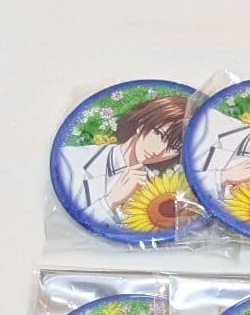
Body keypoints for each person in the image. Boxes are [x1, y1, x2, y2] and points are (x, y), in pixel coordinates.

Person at [57, 95, 186, 227]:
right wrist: (111, 202)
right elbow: (64, 225)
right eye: (159, 134)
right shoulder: (68, 160)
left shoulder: (157, 192)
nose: (158, 151)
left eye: (174, 148)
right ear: (142, 124)